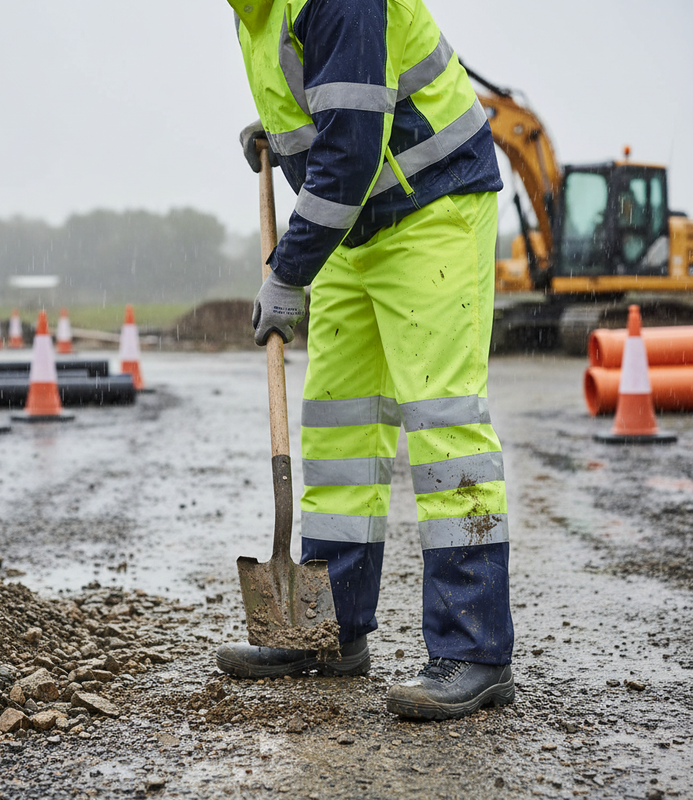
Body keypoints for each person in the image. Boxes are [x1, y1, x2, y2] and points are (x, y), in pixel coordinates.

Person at [216, 0, 515, 721]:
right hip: (360, 224)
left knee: (443, 425)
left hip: (432, 204)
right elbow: (333, 111)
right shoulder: (253, 11)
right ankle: (329, 632)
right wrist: (284, 141)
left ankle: (474, 652)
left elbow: (351, 148)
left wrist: (287, 275)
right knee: (340, 433)